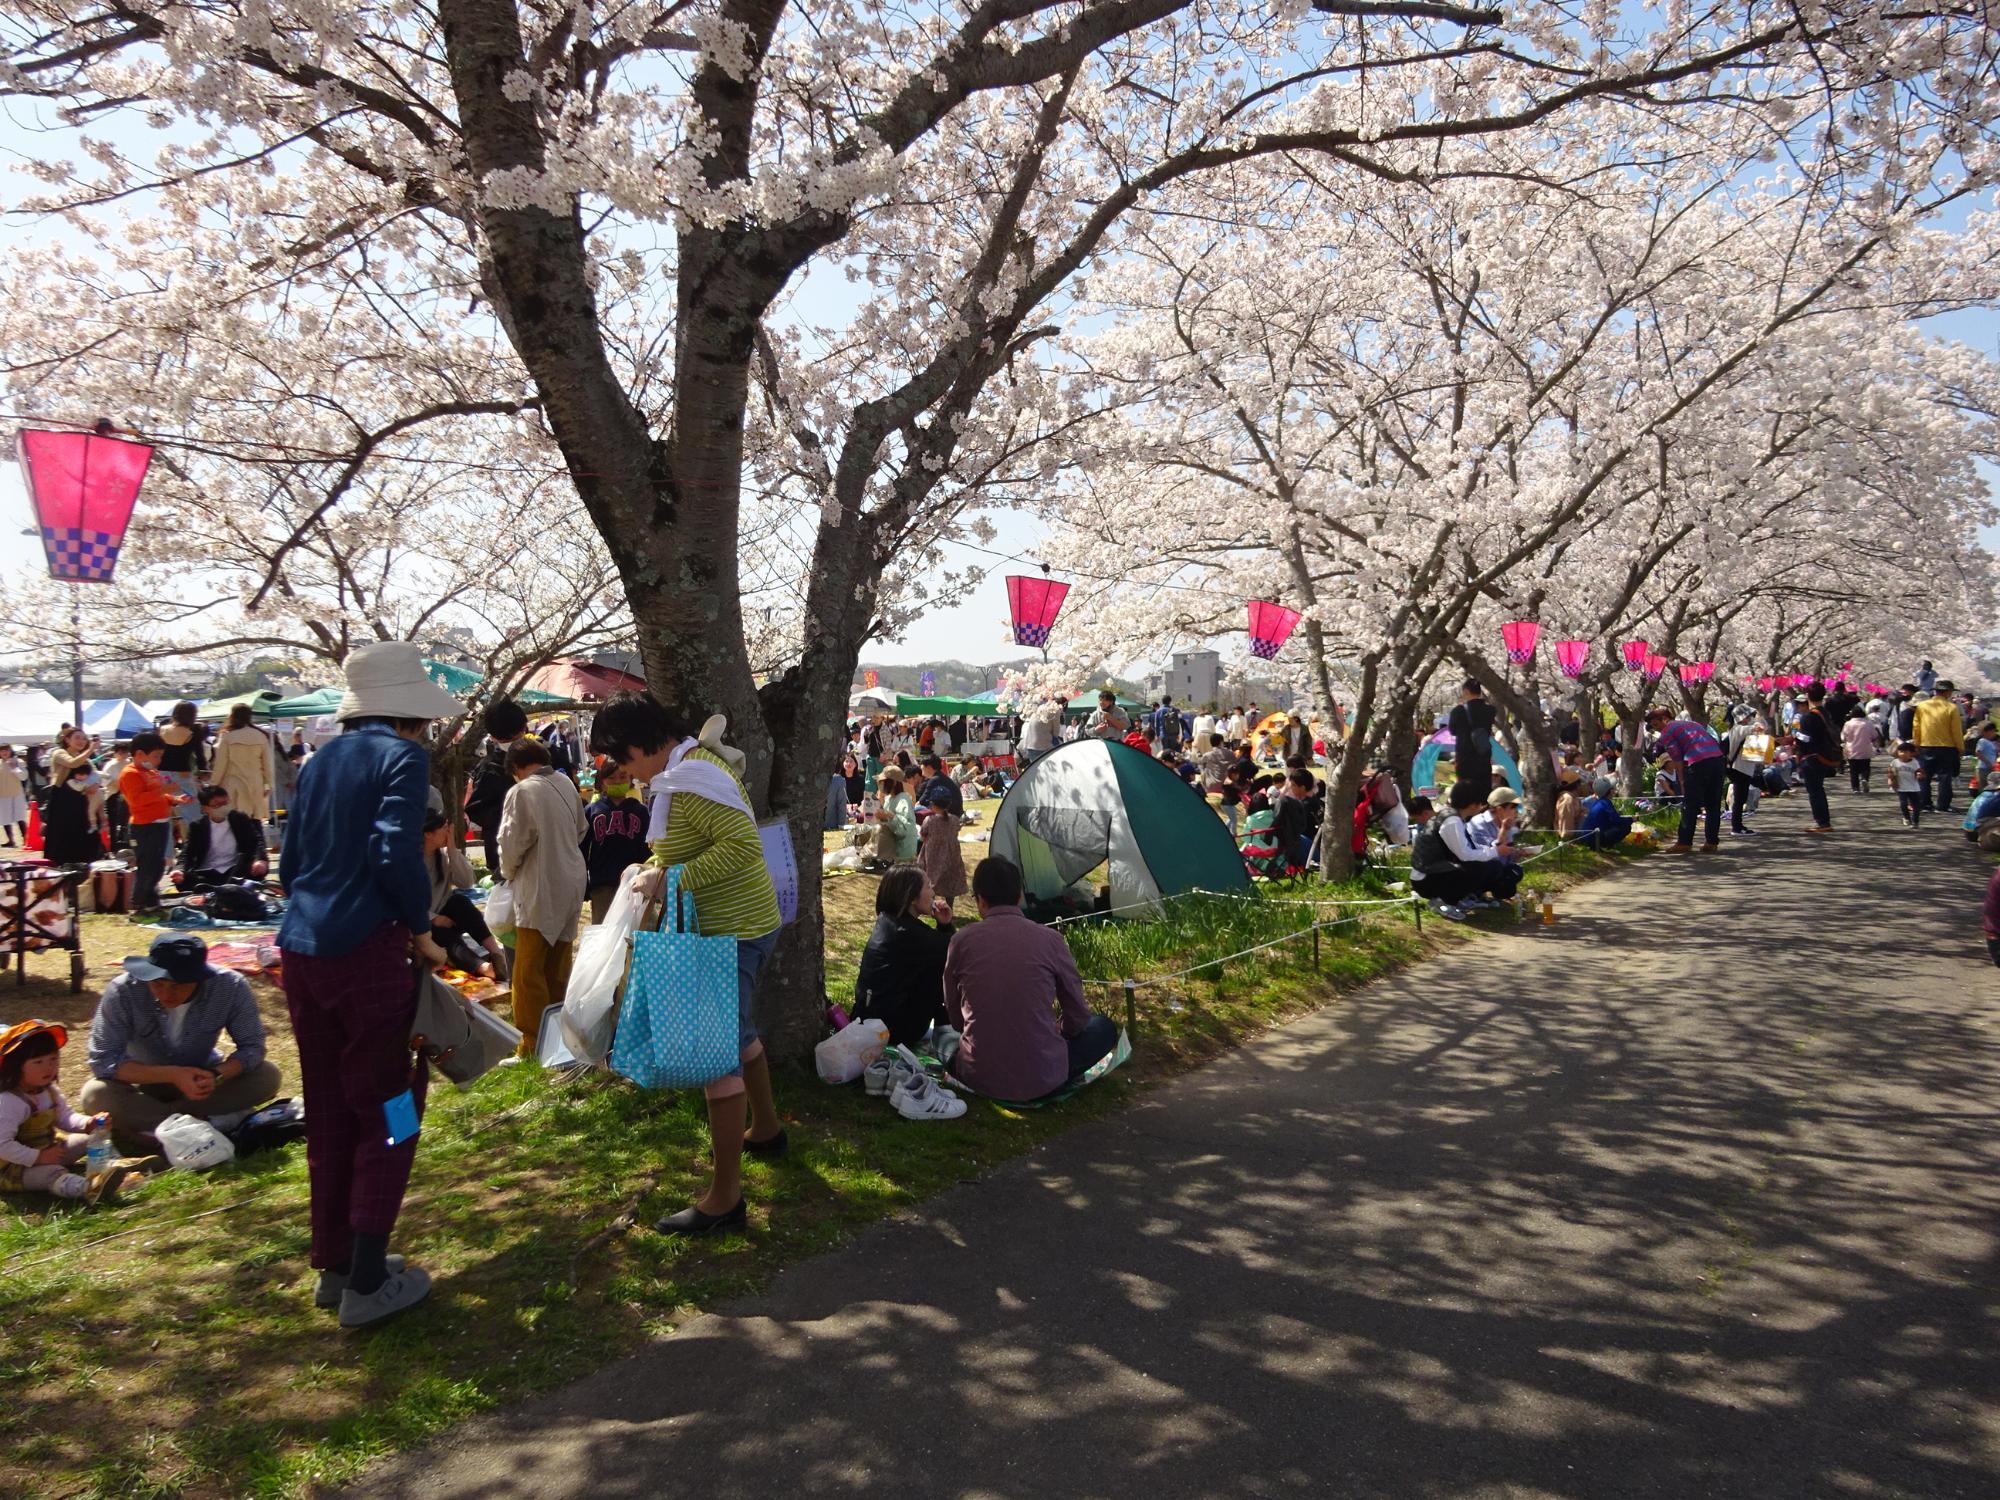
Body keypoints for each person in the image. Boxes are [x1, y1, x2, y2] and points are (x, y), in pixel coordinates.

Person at [277, 640, 458, 1327]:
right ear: (413, 712)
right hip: (370, 953)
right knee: (393, 1109)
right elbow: (395, 848)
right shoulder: (403, 758)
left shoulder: (320, 759)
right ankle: (369, 1278)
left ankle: (336, 1263)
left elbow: (292, 862)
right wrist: (419, 928)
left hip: (303, 948)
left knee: (326, 1107)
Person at [593, 693, 785, 1235]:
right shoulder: (687, 770)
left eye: (622, 760)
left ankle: (725, 1198)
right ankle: (767, 1130)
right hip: (742, 926)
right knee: (741, 1033)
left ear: (637, 745)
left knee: (713, 1059)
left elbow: (743, 848)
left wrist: (669, 878)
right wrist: (654, 865)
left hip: (732, 932)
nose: (625, 773)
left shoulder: (692, 776)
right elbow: (694, 844)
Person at [80, 933, 279, 1154]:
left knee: (268, 1075)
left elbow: (252, 1047)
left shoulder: (229, 986)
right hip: (145, 1083)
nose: (167, 993)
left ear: (199, 979)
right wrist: (173, 1074)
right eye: (159, 983)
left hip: (203, 1084)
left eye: (178, 984)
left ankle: (160, 1127)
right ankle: (208, 1123)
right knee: (95, 1093)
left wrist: (216, 1075)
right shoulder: (123, 991)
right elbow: (104, 1060)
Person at [943, 856, 1116, 1101]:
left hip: (977, 1073)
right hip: (1043, 1076)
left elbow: (955, 1017)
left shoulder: (960, 941)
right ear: (1019, 895)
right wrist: (1060, 1031)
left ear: (980, 900)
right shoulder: (1050, 939)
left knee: (942, 1036)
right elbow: (1077, 1015)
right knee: (1102, 1028)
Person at [496, 737, 588, 1056]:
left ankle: (532, 1043)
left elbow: (512, 842)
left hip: (540, 885)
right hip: (571, 879)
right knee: (558, 964)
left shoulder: (522, 790)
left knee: (528, 970)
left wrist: (507, 874)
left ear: (516, 768)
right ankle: (559, 1039)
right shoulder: (564, 781)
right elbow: (580, 828)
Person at [0, 1020, 106, 1201]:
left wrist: (86, 1123)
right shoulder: (8, 1102)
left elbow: (65, 1117)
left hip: (47, 1149)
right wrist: (38, 1157)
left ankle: (110, 1168)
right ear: (16, 1066)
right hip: (12, 1166)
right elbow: (3, 1146)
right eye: (38, 1062)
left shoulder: (49, 1091)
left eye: (53, 1059)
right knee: (52, 1173)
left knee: (87, 1141)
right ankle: (85, 1189)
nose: (48, 1067)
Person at [854, 864, 956, 1047]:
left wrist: (944, 925)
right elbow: (954, 951)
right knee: (941, 967)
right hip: (893, 1032)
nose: (933, 893)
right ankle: (947, 1032)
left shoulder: (888, 922)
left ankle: (946, 1028)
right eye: (928, 886)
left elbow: (941, 946)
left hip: (870, 1019)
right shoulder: (907, 933)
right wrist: (946, 927)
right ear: (911, 897)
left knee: (935, 962)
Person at [1409, 782, 1523, 916]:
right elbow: (1464, 854)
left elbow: (1470, 847)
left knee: (1492, 866)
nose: (1482, 807)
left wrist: (1495, 848)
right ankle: (1443, 901)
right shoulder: (1452, 821)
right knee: (1485, 869)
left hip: (1435, 872)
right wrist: (1495, 852)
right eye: (1480, 804)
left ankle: (1458, 898)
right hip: (1427, 879)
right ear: (1472, 804)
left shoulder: (1454, 817)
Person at [423, 812, 506, 976]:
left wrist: (453, 850)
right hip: (419, 922)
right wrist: (434, 918)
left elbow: (467, 882)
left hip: (443, 912)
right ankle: (483, 967)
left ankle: (497, 954)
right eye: (444, 829)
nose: (448, 833)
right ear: (427, 834)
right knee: (446, 937)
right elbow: (403, 902)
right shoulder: (410, 861)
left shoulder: (444, 855)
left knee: (461, 902)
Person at [120, 731, 191, 909]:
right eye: (156, 756)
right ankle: (140, 902)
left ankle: (151, 900)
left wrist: (175, 799)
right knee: (147, 866)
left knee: (158, 865)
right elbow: (136, 800)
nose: (159, 760)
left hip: (159, 823)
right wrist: (163, 790)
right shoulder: (130, 773)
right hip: (144, 826)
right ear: (139, 754)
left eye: (160, 756)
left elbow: (159, 796)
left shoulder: (151, 771)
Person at [1646, 705, 1725, 853]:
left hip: (1698, 762)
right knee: (1712, 804)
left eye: (1656, 724)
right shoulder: (1693, 724)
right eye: (1653, 727)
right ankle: (1711, 842)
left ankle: (1684, 842)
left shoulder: (1667, 732)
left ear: (1665, 719)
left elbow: (1676, 758)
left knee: (1690, 804)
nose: (1657, 729)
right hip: (1717, 759)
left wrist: (1681, 780)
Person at [464, 698, 528, 871]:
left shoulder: (486, 766)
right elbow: (477, 809)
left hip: (504, 853)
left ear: (491, 735)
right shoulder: (546, 756)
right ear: (524, 727)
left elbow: (475, 809)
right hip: (506, 851)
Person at [582, 773, 649, 923]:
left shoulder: (640, 811)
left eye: (622, 777)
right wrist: (584, 884)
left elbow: (647, 849)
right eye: (611, 778)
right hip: (603, 883)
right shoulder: (592, 810)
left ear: (631, 780)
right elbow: (583, 849)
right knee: (603, 929)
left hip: (635, 882)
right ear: (602, 781)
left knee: (636, 929)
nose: (617, 782)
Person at [174, 785, 269, 890]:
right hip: (207, 872)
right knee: (185, 880)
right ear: (205, 808)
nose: (223, 807)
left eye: (225, 803)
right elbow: (187, 852)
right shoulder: (197, 826)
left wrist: (260, 860)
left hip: (235, 869)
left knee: (255, 872)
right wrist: (179, 870)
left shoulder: (239, 818)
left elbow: (256, 842)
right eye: (217, 805)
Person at [40, 727, 101, 867]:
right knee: (63, 832)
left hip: (81, 798)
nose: (81, 741)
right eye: (77, 737)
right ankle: (60, 863)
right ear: (67, 739)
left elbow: (95, 774)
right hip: (63, 799)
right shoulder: (59, 753)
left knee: (83, 830)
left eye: (84, 738)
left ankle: (84, 861)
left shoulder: (84, 757)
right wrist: (90, 750)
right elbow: (73, 763)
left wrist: (94, 785)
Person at [211, 703, 274, 830]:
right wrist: (269, 784)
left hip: (233, 784)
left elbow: (220, 765)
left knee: (234, 823)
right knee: (255, 821)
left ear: (233, 716)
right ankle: (257, 849)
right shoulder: (261, 736)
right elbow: (268, 764)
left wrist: (214, 785)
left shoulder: (227, 736)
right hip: (256, 783)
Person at [1790, 683, 1840, 832]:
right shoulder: (1825, 712)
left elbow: (1807, 739)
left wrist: (1795, 735)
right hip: (1825, 755)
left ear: (1807, 696)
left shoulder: (1809, 717)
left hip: (1812, 758)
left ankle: (1822, 822)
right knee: (1818, 789)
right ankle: (1823, 821)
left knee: (1815, 791)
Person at [1912, 681, 1966, 813]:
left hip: (1926, 745)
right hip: (1946, 747)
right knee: (1945, 776)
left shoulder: (1922, 706)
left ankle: (1924, 803)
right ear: (1948, 692)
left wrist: (1916, 744)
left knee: (1924, 776)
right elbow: (1956, 730)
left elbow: (1916, 727)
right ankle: (1943, 805)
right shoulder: (1951, 707)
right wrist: (1960, 747)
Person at [157, 702, 208, 831]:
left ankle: (167, 849)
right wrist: (203, 772)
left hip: (162, 775)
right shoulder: (193, 732)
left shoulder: (162, 729)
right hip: (183, 775)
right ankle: (197, 844)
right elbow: (199, 755)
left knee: (164, 813)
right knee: (192, 814)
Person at [1723, 708, 1773, 837]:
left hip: (1743, 768)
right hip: (1739, 768)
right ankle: (1736, 827)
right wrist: (1758, 717)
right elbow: (1759, 727)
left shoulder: (1739, 729)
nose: (1750, 718)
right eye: (1748, 716)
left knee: (1741, 798)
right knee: (1739, 799)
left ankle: (1738, 825)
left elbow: (1762, 728)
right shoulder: (1738, 729)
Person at [1448, 680, 1496, 797]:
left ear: (1466, 691)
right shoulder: (1490, 710)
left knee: (1466, 793)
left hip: (1465, 758)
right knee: (1484, 793)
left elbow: (1453, 731)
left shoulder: (1458, 711)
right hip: (1483, 757)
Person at [868, 767, 918, 867]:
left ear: (894, 782)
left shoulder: (903, 799)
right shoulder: (889, 799)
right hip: (894, 846)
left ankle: (883, 859)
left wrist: (889, 816)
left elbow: (905, 829)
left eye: (883, 782)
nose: (880, 785)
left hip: (904, 851)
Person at [1576, 777, 1634, 850]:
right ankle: (1605, 846)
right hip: (1593, 838)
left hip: (1589, 836)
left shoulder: (1600, 802)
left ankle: (1603, 846)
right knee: (1626, 827)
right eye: (1612, 789)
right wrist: (1631, 819)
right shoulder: (1605, 803)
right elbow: (1617, 820)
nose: (1614, 791)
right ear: (1608, 791)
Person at [1841, 709, 1881, 794]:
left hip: (1851, 749)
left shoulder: (1848, 724)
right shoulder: (1868, 723)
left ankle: (1856, 788)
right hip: (1865, 748)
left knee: (1853, 770)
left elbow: (1843, 737)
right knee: (1865, 767)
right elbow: (1874, 736)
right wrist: (1876, 746)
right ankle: (1864, 779)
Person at [1888, 742, 1927, 827]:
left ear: (1911, 753)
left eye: (1905, 752)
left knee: (1916, 806)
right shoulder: (1895, 762)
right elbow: (1891, 772)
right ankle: (1907, 818)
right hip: (1902, 788)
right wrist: (1890, 780)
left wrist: (1920, 775)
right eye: (1900, 751)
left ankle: (1915, 822)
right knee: (1903, 804)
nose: (1902, 754)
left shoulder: (1914, 762)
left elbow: (1920, 772)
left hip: (1914, 787)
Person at [914, 754, 964, 819]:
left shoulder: (934, 780)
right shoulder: (941, 777)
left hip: (949, 813)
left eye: (922, 767)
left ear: (929, 767)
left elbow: (922, 801)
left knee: (917, 808)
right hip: (956, 812)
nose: (922, 771)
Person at [1017, 696, 1061, 765]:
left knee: (1036, 771)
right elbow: (1056, 732)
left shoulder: (1039, 707)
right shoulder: (1055, 710)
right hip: (1042, 746)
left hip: (1030, 745)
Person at [0, 745, 24, 847]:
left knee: (19, 817)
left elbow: (24, 776)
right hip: (3, 794)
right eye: (2, 751)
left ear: (10, 751)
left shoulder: (18, 761)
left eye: (6, 750)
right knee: (5, 818)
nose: (4, 752)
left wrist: (14, 768)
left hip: (17, 793)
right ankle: (11, 840)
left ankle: (26, 838)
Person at [1973, 722, 1999, 793]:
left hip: (1990, 768)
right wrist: (1988, 763)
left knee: (1989, 787)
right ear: (1985, 732)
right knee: (1984, 787)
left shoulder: (1991, 742)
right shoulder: (1982, 741)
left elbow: (1993, 753)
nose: (1994, 733)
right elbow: (1978, 753)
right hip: (1983, 768)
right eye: (1992, 731)